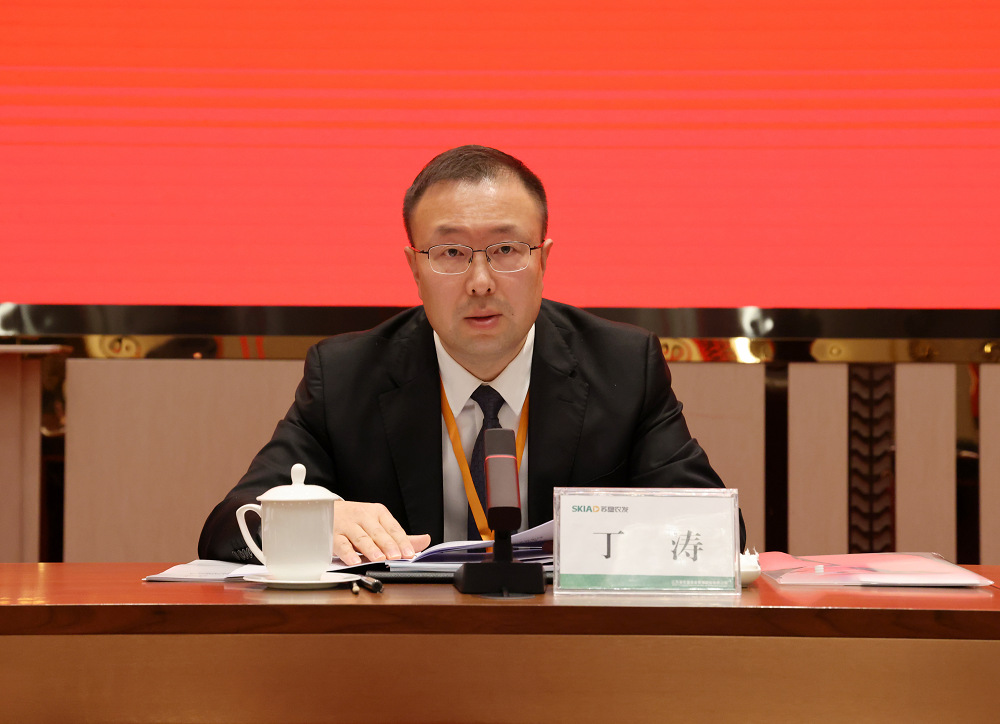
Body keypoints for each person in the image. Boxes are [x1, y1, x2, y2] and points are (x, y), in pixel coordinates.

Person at [198, 145, 745, 565]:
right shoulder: (346, 376)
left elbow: (717, 529)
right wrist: (313, 518)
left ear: (543, 260)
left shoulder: (623, 366)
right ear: (414, 268)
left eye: (506, 249)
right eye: (451, 253)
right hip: (403, 655)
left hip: (570, 650)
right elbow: (228, 527)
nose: (480, 281)